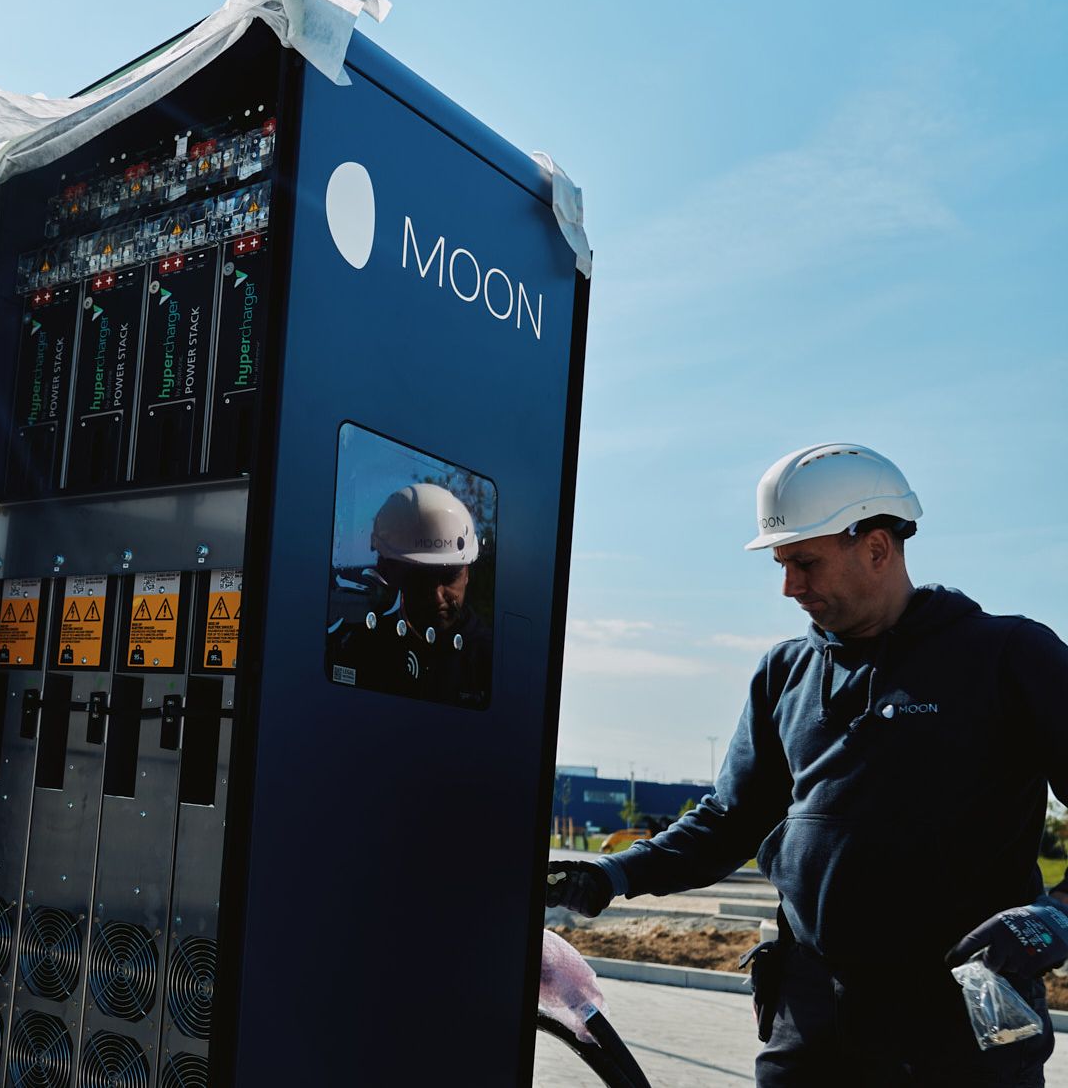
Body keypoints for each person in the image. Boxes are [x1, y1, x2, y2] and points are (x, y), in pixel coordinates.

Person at [546, 442, 1068, 1086]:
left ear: (877, 547)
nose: (790, 587)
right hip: (814, 1025)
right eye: (782, 565)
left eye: (805, 563)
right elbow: (728, 822)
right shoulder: (784, 675)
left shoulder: (1009, 656)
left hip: (963, 1023)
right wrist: (609, 874)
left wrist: (1057, 915)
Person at [326, 481, 492, 703]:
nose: (437, 596)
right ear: (387, 570)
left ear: (467, 573)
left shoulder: (488, 660)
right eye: (420, 579)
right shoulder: (360, 649)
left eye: (449, 576)